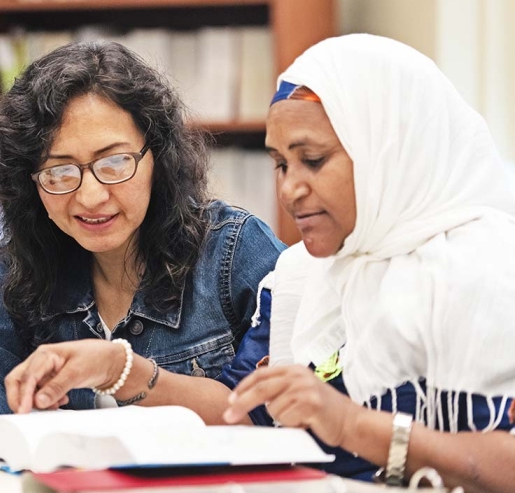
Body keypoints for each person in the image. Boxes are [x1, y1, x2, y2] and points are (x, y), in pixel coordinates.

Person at [0, 41, 285, 443]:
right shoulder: (25, 260)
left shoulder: (235, 250)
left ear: (158, 158)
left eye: (114, 162)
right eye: (59, 172)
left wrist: (121, 370)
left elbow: (269, 412)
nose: (91, 197)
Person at [220, 34, 515, 491]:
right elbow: (240, 411)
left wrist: (352, 424)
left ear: (390, 151)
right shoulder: (305, 274)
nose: (288, 189)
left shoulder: (491, 269)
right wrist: (125, 370)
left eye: (312, 160)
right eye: (280, 164)